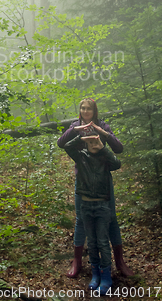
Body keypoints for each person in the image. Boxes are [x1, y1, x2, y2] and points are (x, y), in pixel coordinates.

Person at [57, 98, 134, 277]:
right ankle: (77, 262)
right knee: (81, 220)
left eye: (88, 109)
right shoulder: (75, 125)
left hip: (103, 180)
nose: (85, 111)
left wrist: (101, 132)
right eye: (82, 108)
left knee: (112, 218)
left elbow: (119, 149)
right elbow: (62, 144)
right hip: (82, 180)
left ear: (95, 111)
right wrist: (76, 130)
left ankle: (120, 262)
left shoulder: (103, 126)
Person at [64, 132, 121, 294]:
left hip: (102, 206)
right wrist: (82, 136)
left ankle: (106, 276)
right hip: (86, 206)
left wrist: (103, 148)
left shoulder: (105, 158)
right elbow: (67, 146)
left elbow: (117, 163)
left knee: (103, 242)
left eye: (95, 142)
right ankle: (95, 274)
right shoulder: (80, 157)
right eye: (90, 143)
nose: (93, 145)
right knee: (93, 243)